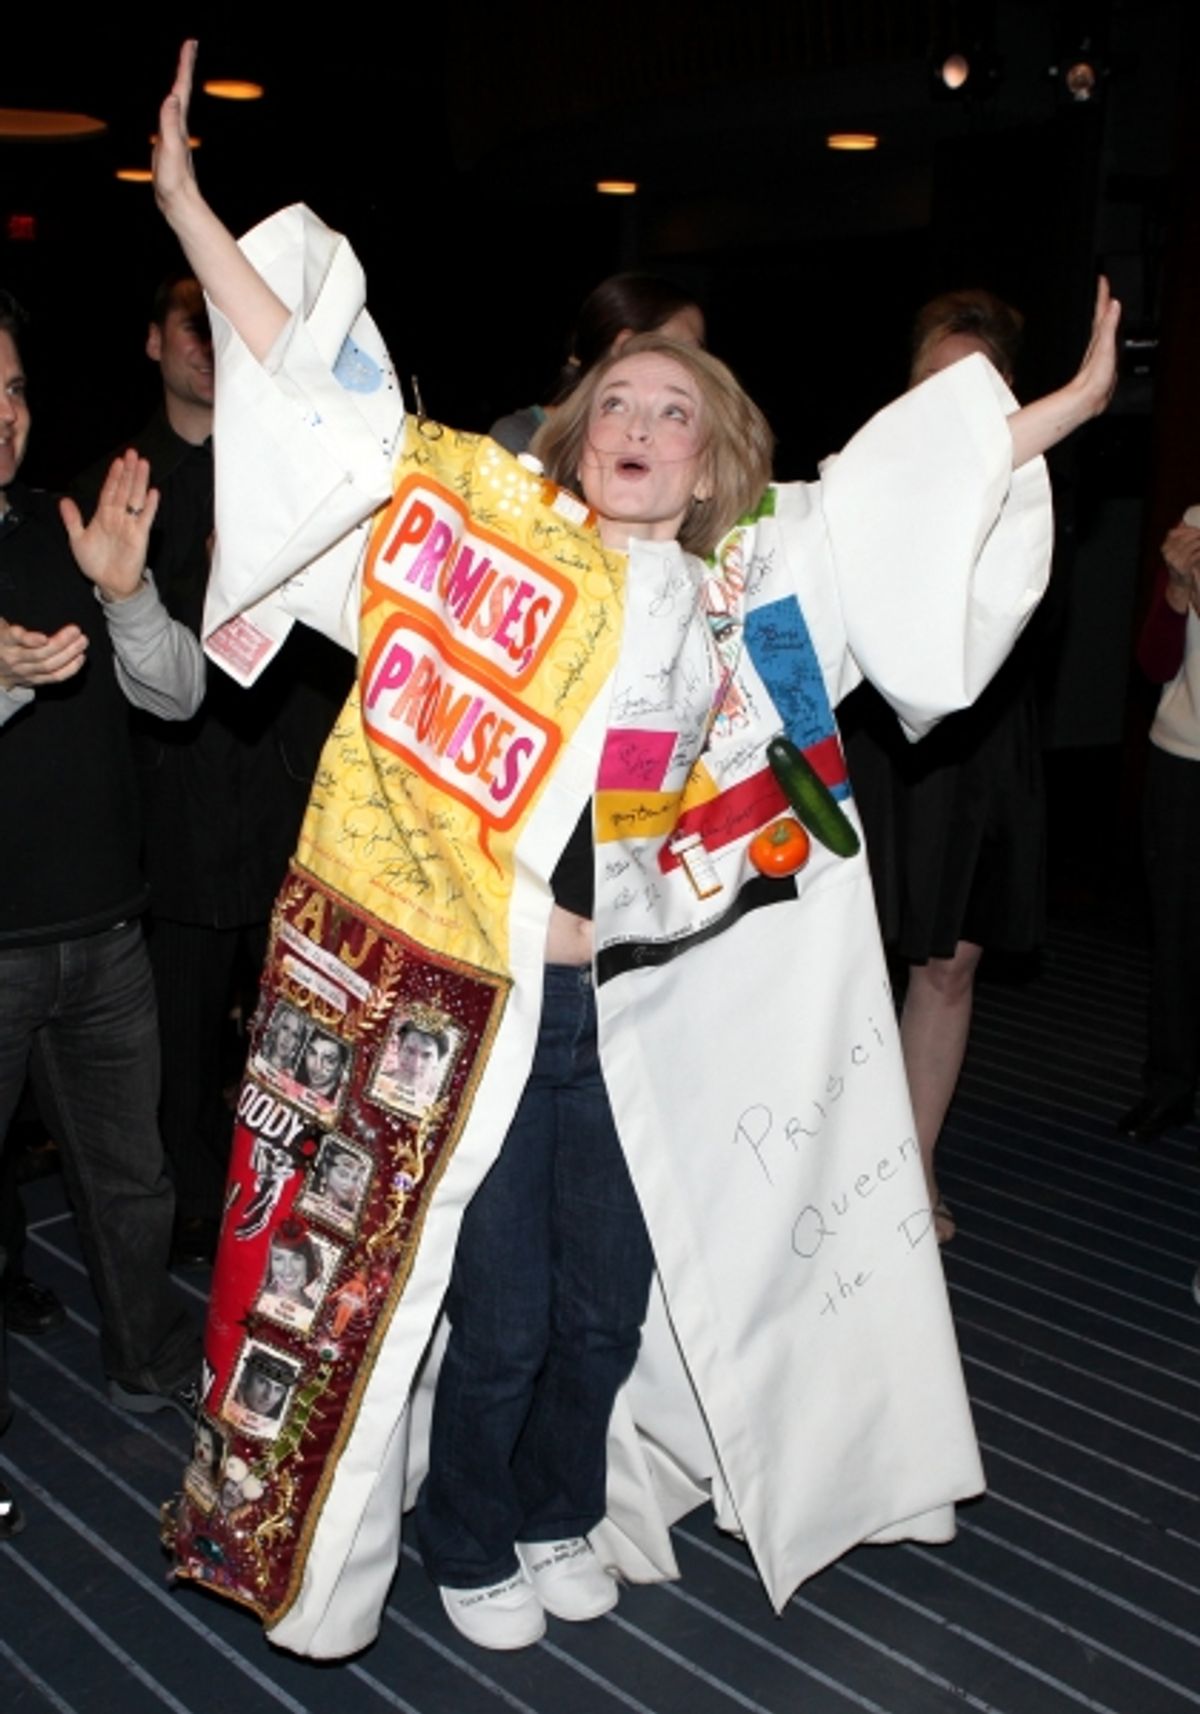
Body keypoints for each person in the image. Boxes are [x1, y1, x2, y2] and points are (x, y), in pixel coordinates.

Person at [153, 41, 1118, 1659]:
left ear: (713, 450)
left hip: (646, 1011)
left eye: (678, 411)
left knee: (605, 1303)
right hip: (482, 1007)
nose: (644, 427)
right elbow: (328, 407)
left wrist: (1059, 415)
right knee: (503, 1309)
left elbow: (894, 507)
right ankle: (467, 1530)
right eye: (621, 403)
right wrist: (187, 204)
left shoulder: (761, 594)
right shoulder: (485, 539)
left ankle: (551, 1506)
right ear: (580, 426)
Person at [73, 278, 352, 1265]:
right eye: (188, 326)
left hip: (285, 806)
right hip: (173, 819)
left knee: (297, 1043)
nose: (206, 345)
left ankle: (288, 1220)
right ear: (151, 342)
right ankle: (187, 1217)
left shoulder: (280, 472)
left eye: (218, 328)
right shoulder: (118, 483)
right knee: (175, 1051)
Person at [0, 286, 205, 1419]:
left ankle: (152, 1356)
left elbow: (176, 698)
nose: (5, 414)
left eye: (16, 389)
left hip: (105, 932)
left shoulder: (62, 522)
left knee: (134, 1183)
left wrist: (128, 597)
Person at [842, 289, 1040, 1243]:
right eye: (932, 381)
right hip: (877, 738)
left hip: (983, 745)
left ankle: (914, 1165)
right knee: (849, 958)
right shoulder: (864, 477)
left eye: (973, 384)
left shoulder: (1032, 481)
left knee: (949, 967)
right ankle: (832, 1165)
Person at [1117, 510, 1200, 1142]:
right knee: (1175, 933)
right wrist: (1175, 591)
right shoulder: (1192, 527)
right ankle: (1170, 1085)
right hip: (1182, 759)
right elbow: (1153, 664)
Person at [489, 271, 704, 456]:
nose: (699, 367)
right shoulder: (520, 439)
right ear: (626, 347)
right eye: (684, 351)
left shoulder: (676, 445)